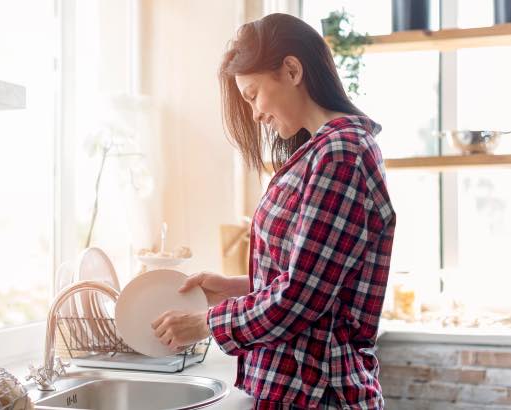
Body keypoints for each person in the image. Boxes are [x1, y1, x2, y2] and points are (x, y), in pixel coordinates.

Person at [151, 13, 396, 410]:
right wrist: (238, 285)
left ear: (292, 70)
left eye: (252, 95)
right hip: (301, 388)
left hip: (318, 391)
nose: (254, 114)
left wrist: (204, 323)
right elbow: (314, 280)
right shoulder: (322, 151)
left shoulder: (341, 153)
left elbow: (301, 296)